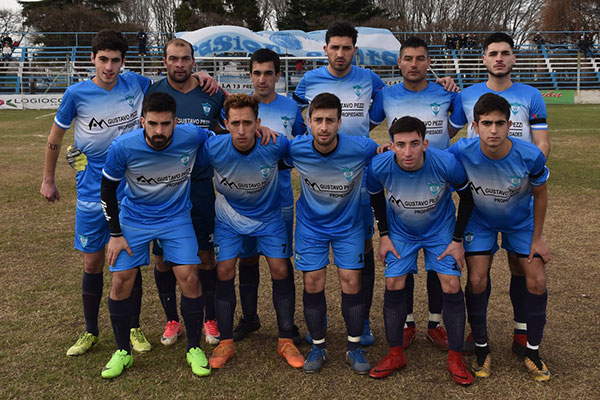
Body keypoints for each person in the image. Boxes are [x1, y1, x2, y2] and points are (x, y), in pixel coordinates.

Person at [40, 29, 153, 357]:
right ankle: (90, 331)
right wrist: (48, 180)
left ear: (123, 61)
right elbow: (55, 138)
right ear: (92, 58)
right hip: (90, 192)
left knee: (129, 261)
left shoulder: (137, 84)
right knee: (92, 264)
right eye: (103, 59)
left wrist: (203, 77)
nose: (109, 67)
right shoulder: (76, 94)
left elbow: (174, 83)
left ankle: (133, 328)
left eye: (115, 60)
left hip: (129, 191)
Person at [449, 32, 549, 354]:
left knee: (523, 267)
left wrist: (525, 172)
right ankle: (478, 335)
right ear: (484, 59)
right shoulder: (466, 97)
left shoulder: (531, 96)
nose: (499, 59)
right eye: (493, 53)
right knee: (477, 275)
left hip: (517, 194)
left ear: (514, 57)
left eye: (505, 53)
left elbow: (541, 143)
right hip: (480, 207)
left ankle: (523, 332)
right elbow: (444, 139)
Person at [100, 92, 212, 378]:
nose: (159, 131)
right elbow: (107, 189)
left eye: (165, 124)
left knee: (189, 277)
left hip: (176, 218)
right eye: (152, 124)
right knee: (121, 280)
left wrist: (259, 130)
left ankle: (193, 348)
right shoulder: (123, 147)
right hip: (134, 220)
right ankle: (122, 351)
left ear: (176, 122)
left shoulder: (192, 135)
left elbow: (224, 138)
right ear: (142, 122)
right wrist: (115, 234)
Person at [367, 116, 474, 384]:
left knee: (451, 283)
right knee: (393, 282)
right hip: (401, 232)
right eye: (401, 145)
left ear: (425, 144)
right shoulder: (379, 166)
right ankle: (395, 354)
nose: (408, 152)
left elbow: (468, 197)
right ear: (391, 145)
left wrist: (457, 240)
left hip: (440, 231)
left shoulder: (446, 163)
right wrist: (384, 235)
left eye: (414, 144)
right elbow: (375, 195)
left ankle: (455, 358)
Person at [370, 36, 460, 350]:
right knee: (402, 259)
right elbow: (364, 127)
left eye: (420, 58)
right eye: (408, 58)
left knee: (439, 259)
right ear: (399, 62)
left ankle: (435, 323)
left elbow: (454, 128)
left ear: (429, 62)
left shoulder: (447, 93)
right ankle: (407, 323)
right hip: (401, 184)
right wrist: (381, 150)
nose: (414, 64)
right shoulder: (386, 95)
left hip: (437, 184)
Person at [204, 94, 303, 370]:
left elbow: (302, 150)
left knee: (280, 269)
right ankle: (225, 343)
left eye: (247, 123)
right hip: (229, 217)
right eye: (235, 123)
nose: (241, 130)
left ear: (258, 123)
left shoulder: (275, 144)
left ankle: (286, 340)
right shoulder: (213, 147)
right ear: (225, 124)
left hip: (268, 218)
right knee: (225, 270)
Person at [285, 93, 379, 374]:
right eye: (318, 120)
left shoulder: (361, 147)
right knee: (313, 282)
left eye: (329, 120)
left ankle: (354, 348)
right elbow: (268, 151)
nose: (323, 127)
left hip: (348, 226)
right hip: (311, 226)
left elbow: (385, 155)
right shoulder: (296, 148)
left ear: (340, 122)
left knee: (351, 281)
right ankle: (318, 346)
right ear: (308, 122)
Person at [219, 48, 306, 343]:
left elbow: (299, 145)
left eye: (268, 73)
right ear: (250, 75)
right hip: (244, 199)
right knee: (247, 259)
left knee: (280, 261)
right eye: (256, 73)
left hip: (279, 197)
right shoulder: (237, 108)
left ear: (278, 76)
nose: (262, 79)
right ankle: (249, 318)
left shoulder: (291, 108)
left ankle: (287, 324)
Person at [145, 38, 225, 347]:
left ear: (194, 61)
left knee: (206, 256)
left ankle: (209, 317)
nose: (179, 64)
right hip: (163, 191)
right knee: (163, 259)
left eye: (185, 58)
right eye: (173, 58)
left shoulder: (211, 93)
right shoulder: (153, 91)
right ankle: (172, 320)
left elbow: (234, 118)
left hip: (201, 188)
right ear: (164, 61)